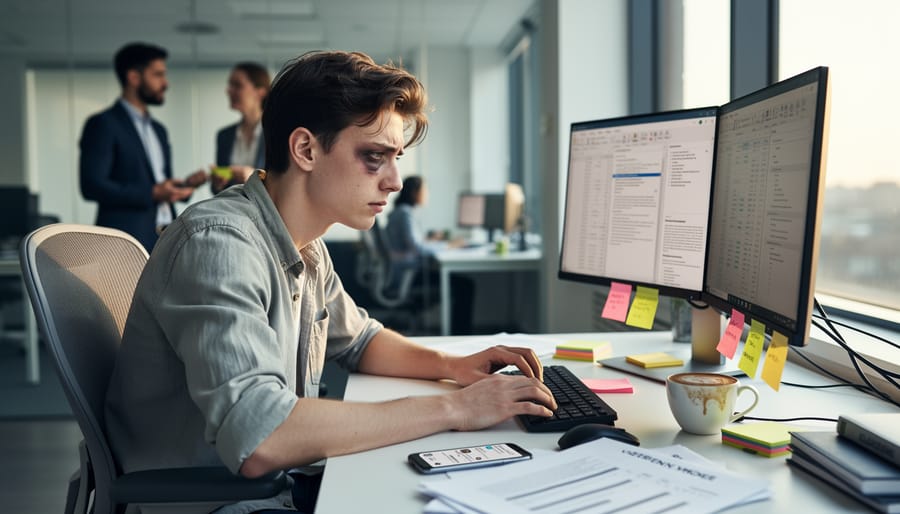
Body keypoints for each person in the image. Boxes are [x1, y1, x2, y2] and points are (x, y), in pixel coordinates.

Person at [104, 50, 555, 514]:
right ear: (305, 150)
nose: (396, 182)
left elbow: (359, 341)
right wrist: (457, 410)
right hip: (219, 501)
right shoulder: (219, 244)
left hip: (274, 483)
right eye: (375, 157)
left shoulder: (304, 243)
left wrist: (455, 365)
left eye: (396, 158)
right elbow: (262, 435)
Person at [79, 42, 208, 252]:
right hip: (125, 240)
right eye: (158, 75)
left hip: (166, 237)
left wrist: (185, 186)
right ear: (133, 78)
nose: (165, 83)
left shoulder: (158, 130)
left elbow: (158, 183)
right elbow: (92, 185)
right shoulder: (103, 124)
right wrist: (152, 193)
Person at [385, 175, 475, 334]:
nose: (427, 194)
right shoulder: (405, 214)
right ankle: (459, 333)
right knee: (465, 285)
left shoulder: (400, 212)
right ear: (414, 193)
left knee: (463, 284)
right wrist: (448, 246)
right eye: (425, 190)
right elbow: (417, 248)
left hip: (406, 272)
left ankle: (459, 332)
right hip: (410, 276)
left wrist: (431, 239)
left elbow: (412, 242)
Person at [211, 61, 271, 194]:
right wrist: (218, 182)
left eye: (237, 85)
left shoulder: (277, 133)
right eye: (230, 85)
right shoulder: (224, 136)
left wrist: (254, 176)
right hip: (232, 210)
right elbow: (217, 190)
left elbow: (285, 181)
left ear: (260, 92)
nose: (229, 90)